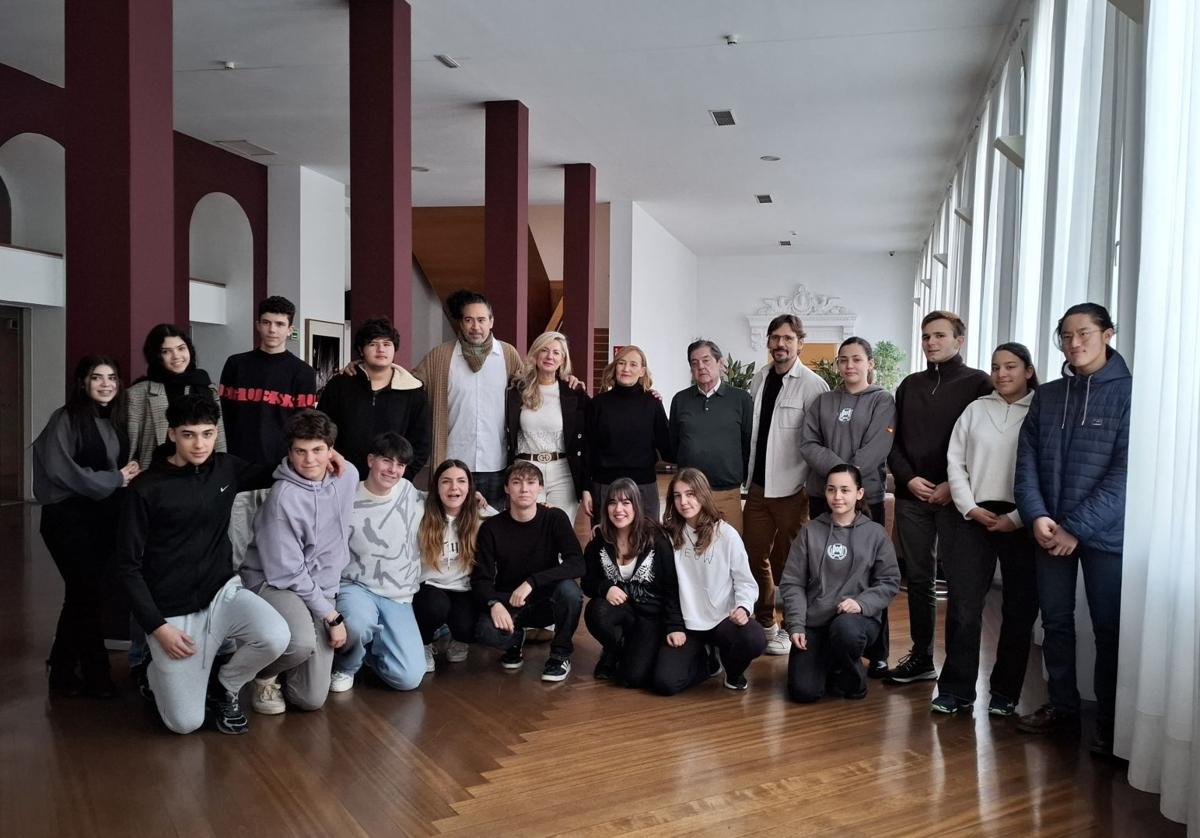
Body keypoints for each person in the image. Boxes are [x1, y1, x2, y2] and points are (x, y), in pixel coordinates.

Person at [117, 394, 290, 735]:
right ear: (171, 434)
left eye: (207, 434)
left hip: (221, 594)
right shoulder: (146, 489)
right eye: (189, 434)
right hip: (172, 613)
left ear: (216, 432)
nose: (200, 444)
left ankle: (225, 683)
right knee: (185, 724)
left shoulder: (225, 468)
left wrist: (328, 453)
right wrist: (157, 627)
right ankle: (154, 674)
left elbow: (276, 470)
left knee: (276, 636)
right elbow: (127, 567)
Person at [1014, 304, 1131, 756]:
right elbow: (1026, 461)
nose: (1074, 343)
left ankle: (1111, 721)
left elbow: (1126, 475)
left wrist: (1075, 528)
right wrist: (1037, 514)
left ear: (1107, 334)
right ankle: (1062, 708)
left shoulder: (1129, 393)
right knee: (1057, 624)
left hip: (1105, 535)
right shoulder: (1049, 395)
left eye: (1083, 333)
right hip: (1048, 529)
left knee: (1109, 630)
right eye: (1065, 336)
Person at [885, 310, 992, 684]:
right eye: (926, 336)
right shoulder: (910, 385)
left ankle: (959, 675)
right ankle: (922, 656)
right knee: (917, 579)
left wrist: (953, 485)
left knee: (962, 587)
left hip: (956, 499)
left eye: (940, 336)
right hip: (912, 497)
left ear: (959, 340)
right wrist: (909, 478)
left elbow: (982, 445)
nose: (931, 342)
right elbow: (893, 443)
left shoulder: (979, 383)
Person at [33, 355, 139, 698]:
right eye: (97, 377)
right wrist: (114, 478)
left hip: (104, 517)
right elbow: (60, 471)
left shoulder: (118, 419)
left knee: (83, 594)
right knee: (86, 593)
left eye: (112, 377)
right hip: (68, 517)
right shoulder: (65, 418)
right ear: (83, 382)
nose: (106, 383)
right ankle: (97, 673)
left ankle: (62, 668)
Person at [240, 409, 358, 714]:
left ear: (331, 450)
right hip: (275, 582)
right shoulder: (283, 497)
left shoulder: (348, 476)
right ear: (289, 453)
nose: (309, 460)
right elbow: (288, 573)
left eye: (318, 450)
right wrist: (331, 617)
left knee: (310, 699)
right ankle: (262, 675)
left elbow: (333, 455)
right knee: (301, 643)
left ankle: (288, 659)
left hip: (320, 586)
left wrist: (331, 453)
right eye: (300, 452)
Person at [799, 336, 896, 677]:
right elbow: (808, 443)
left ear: (870, 363)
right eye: (843, 360)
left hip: (865, 498)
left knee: (870, 571)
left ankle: (878, 651)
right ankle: (825, 637)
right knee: (823, 568)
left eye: (856, 359)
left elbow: (878, 446)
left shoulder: (882, 401)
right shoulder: (823, 401)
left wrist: (848, 481)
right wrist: (838, 481)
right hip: (822, 496)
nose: (849, 366)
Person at [743, 314, 829, 655]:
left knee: (793, 562)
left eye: (788, 338)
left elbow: (818, 440)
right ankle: (766, 621)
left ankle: (795, 624)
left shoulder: (813, 385)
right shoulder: (760, 378)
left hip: (794, 489)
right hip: (758, 488)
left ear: (800, 343)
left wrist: (808, 486)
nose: (780, 344)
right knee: (754, 557)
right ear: (768, 342)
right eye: (775, 337)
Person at [780, 464, 901, 703]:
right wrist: (796, 625)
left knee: (844, 631)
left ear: (859, 493)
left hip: (856, 622)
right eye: (831, 490)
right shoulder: (809, 532)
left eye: (845, 490)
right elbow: (792, 583)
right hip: (815, 622)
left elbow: (889, 581)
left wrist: (861, 603)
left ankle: (853, 677)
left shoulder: (876, 534)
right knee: (804, 692)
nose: (837, 497)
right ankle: (830, 662)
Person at [219, 295, 318, 568]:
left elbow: (305, 429)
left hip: (281, 472)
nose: (272, 329)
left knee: (276, 549)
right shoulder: (236, 365)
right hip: (236, 470)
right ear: (257, 325)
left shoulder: (303, 373)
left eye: (279, 323)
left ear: (290, 329)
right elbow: (221, 417)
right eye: (266, 322)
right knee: (234, 548)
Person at [653, 468, 765, 694]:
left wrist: (743, 607)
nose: (684, 501)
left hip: (722, 619)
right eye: (677, 495)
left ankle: (733, 672)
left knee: (754, 638)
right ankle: (706, 660)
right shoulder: (669, 536)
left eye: (690, 494)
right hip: (687, 624)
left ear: (703, 494)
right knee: (665, 683)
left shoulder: (726, 534)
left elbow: (745, 581)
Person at [329, 432, 425, 693]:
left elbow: (444, 504)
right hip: (356, 587)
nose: (393, 470)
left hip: (398, 595)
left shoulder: (408, 492)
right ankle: (346, 665)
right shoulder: (346, 497)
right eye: (386, 461)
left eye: (400, 465)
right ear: (371, 460)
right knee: (358, 624)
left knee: (409, 679)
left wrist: (475, 501)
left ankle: (369, 653)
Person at [472, 461, 585, 681]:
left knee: (570, 592)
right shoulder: (492, 527)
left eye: (531, 483)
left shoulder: (555, 518)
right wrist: (493, 604)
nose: (524, 489)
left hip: (547, 601)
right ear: (506, 488)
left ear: (540, 488)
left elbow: (577, 563)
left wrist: (533, 581)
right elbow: (480, 579)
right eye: (516, 482)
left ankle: (560, 655)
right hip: (511, 602)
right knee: (483, 631)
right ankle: (514, 640)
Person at [413, 289, 521, 507]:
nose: (475, 326)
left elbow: (532, 385)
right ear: (460, 323)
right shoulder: (440, 356)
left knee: (493, 528)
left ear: (491, 321)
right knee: (450, 527)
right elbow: (408, 383)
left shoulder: (507, 354)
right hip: (452, 462)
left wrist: (566, 379)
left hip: (496, 463)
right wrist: (363, 367)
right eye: (468, 320)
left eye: (481, 319)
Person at [582, 478, 683, 687]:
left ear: (637, 505)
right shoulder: (600, 539)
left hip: (651, 617)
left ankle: (634, 651)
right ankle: (613, 650)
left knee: (631, 678)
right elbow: (587, 582)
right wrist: (605, 587)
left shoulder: (657, 540)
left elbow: (672, 587)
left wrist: (674, 625)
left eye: (626, 503)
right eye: (612, 503)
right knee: (596, 610)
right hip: (623, 611)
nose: (618, 509)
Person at [317, 317, 431, 480]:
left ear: (394, 349)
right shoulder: (340, 385)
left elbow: (421, 444)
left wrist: (401, 476)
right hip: (340, 477)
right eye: (372, 344)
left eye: (387, 344)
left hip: (391, 484)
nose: (381, 349)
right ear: (361, 350)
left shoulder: (413, 391)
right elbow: (321, 430)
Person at [504, 330, 590, 526]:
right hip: (525, 470)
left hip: (562, 472)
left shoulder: (574, 394)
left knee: (559, 529)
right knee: (527, 530)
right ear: (535, 354)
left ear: (563, 359)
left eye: (556, 352)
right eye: (544, 350)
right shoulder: (516, 391)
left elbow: (591, 432)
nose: (550, 356)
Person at [413, 460, 491, 672]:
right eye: (445, 482)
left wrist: (543, 510)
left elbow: (511, 523)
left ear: (470, 486)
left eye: (461, 481)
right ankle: (424, 643)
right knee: (434, 607)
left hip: (463, 588)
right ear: (436, 487)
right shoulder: (421, 511)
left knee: (468, 627)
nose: (454, 488)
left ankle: (458, 638)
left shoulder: (481, 515)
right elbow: (405, 492)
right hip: (429, 586)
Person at [669, 339, 753, 532]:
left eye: (706, 360)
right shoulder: (680, 400)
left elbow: (748, 443)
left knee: (730, 550)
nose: (701, 367)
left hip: (727, 492)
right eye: (694, 362)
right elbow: (674, 443)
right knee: (690, 548)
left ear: (720, 363)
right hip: (690, 495)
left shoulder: (741, 399)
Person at [585, 345, 673, 522]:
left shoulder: (653, 403)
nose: (626, 369)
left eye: (633, 364)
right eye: (621, 363)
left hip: (643, 486)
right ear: (614, 367)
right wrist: (586, 489)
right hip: (605, 485)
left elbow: (667, 447)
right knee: (606, 542)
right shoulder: (598, 404)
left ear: (642, 371)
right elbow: (588, 448)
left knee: (648, 541)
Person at [126, 323, 225, 471]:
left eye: (181, 348)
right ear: (156, 356)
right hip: (157, 473)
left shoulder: (206, 387)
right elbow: (130, 445)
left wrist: (221, 472)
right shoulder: (139, 392)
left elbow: (219, 438)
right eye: (166, 351)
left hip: (202, 474)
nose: (176, 356)